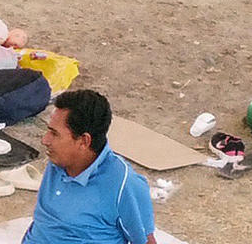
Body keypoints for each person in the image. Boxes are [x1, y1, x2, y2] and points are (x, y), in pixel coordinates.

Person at [22, 90, 158, 244]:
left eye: (54, 134)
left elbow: (145, 241)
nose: (45, 140)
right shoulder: (58, 161)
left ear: (84, 141)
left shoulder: (123, 184)